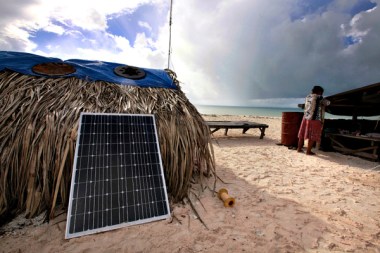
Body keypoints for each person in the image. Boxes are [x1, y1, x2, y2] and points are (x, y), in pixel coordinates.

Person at [297, 85, 330, 155]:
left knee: (302, 133)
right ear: (319, 92)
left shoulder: (308, 97)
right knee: (313, 135)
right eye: (322, 92)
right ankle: (308, 151)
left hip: (305, 117)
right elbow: (327, 103)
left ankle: (299, 149)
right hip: (315, 119)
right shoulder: (319, 97)